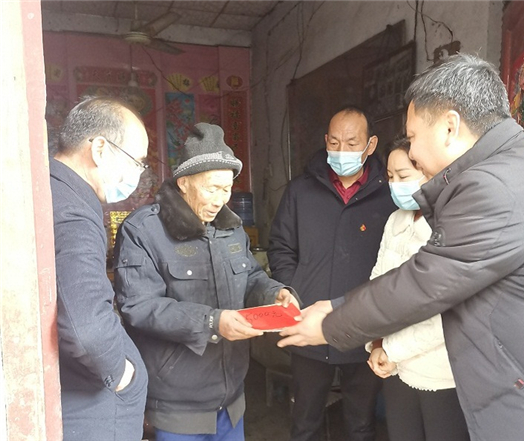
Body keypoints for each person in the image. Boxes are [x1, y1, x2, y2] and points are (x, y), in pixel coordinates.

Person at [277, 53, 524, 440]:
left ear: (450, 127)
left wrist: (331, 320)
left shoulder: (491, 187)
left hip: (522, 397)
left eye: (414, 137)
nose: (414, 152)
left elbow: (425, 283)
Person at [113, 122, 300, 441]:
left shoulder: (231, 228)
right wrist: (212, 322)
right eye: (212, 188)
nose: (220, 200)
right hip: (177, 404)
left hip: (232, 397)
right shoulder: (144, 231)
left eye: (226, 189)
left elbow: (251, 276)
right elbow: (140, 306)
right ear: (184, 182)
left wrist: (274, 292)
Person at [268, 106, 396, 441]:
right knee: (305, 421)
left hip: (363, 328)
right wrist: (294, 289)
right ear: (325, 141)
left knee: (360, 423)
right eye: (335, 143)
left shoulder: (390, 195)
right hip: (308, 326)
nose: (342, 151)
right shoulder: (301, 191)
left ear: (370, 145)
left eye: (352, 144)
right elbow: (281, 247)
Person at [50, 96, 149, 440]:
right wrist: (122, 375)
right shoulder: (74, 213)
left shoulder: (52, 189)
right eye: (136, 162)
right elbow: (88, 329)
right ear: (100, 149)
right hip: (91, 412)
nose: (138, 173)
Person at [366, 137, 469, 441]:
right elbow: (377, 282)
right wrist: (375, 343)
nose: (395, 185)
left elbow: (447, 312)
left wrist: (392, 350)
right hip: (393, 367)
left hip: (440, 373)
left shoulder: (451, 225)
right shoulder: (395, 220)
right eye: (390, 177)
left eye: (404, 176)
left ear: (430, 173)